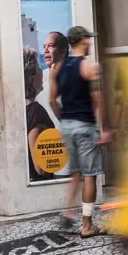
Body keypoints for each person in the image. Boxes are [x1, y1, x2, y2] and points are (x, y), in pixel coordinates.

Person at [48, 26, 111, 238]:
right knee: (90, 174)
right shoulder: (89, 66)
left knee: (75, 172)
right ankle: (87, 225)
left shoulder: (58, 68)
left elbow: (52, 100)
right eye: (88, 39)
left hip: (67, 126)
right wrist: (104, 130)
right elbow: (98, 100)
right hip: (85, 126)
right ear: (81, 41)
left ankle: (68, 211)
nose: (90, 43)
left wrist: (64, 121)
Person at [23, 48, 56, 182]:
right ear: (31, 77)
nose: (42, 72)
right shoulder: (35, 111)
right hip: (38, 183)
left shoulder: (17, 110)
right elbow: (41, 167)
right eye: (38, 68)